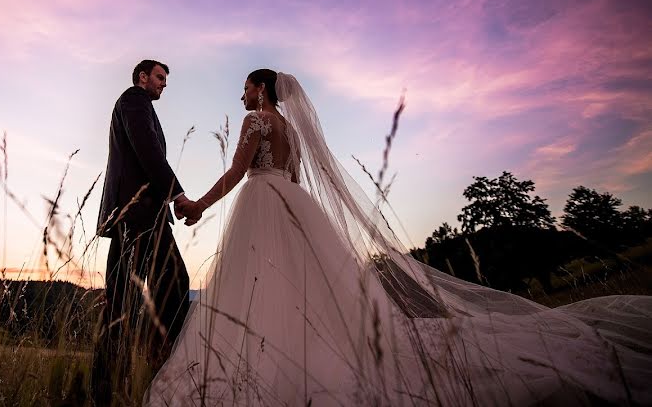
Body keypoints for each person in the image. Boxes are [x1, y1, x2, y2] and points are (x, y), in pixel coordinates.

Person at [146, 69, 652, 406]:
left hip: (261, 204)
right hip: (292, 207)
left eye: (246, 88)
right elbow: (295, 180)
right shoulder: (294, 133)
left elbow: (238, 171)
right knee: (304, 289)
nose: (241, 95)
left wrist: (197, 205)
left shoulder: (255, 119)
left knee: (255, 287)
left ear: (260, 89)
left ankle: (262, 367)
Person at [92, 59, 192, 404]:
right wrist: (177, 195)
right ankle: (162, 357)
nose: (164, 84)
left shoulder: (138, 105)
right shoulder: (134, 100)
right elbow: (148, 152)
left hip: (133, 216)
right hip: (140, 215)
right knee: (176, 282)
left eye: (165, 79)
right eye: (160, 77)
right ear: (142, 77)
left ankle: (106, 388)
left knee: (120, 300)